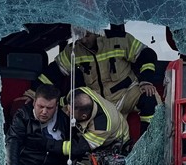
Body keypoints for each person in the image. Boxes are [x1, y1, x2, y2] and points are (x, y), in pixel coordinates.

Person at [35, 27, 163, 131]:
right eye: (80, 36)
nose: (84, 40)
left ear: (97, 30)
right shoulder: (73, 51)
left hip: (127, 94)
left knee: (149, 98)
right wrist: (32, 94)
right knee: (70, 111)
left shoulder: (120, 39)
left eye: (88, 35)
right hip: (98, 103)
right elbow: (53, 72)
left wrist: (146, 80)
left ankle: (149, 145)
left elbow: (147, 54)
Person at [6, 84, 70, 165]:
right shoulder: (23, 115)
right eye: (40, 106)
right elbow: (13, 140)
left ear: (56, 106)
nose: (44, 112)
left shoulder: (65, 120)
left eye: (49, 108)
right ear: (34, 102)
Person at [63, 87, 130, 161]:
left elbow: (79, 147)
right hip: (113, 116)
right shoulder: (78, 92)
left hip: (116, 138)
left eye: (71, 114)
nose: (67, 113)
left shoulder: (102, 126)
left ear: (84, 116)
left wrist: (52, 145)